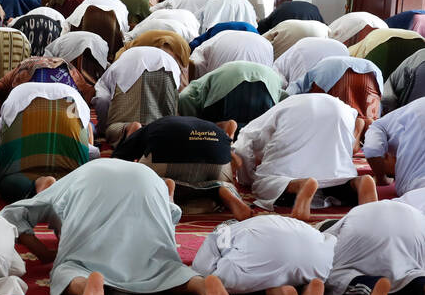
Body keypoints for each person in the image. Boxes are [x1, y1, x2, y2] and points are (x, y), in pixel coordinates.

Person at [0, 159, 237, 295]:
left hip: (95, 205)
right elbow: (172, 215)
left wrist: (44, 253)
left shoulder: (57, 189)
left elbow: (11, 214)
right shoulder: (119, 169)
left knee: (67, 270)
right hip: (148, 183)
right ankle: (203, 287)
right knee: (166, 267)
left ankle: (88, 286)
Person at [231, 92, 374, 221]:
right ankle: (358, 182)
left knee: (264, 184)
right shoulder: (303, 102)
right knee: (336, 177)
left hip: (295, 156)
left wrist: (247, 179)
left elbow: (244, 140)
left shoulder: (279, 108)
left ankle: (301, 184)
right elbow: (349, 145)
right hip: (341, 111)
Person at [191, 215, 333, 295]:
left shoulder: (222, 230)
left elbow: (202, 267)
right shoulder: (269, 220)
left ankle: (277, 291)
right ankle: (291, 290)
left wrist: (206, 276)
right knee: (284, 273)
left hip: (258, 255)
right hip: (318, 258)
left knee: (210, 279)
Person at [112, 116, 251, 220]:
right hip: (218, 155)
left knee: (142, 179)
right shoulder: (208, 125)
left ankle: (164, 186)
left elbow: (118, 164)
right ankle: (221, 190)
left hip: (168, 156)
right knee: (225, 183)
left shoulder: (150, 128)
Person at [0, 79, 93, 202]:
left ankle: (38, 184)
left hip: (23, 116)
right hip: (70, 109)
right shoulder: (72, 90)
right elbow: (92, 153)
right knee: (80, 177)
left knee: (7, 183)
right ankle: (63, 187)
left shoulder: (17, 93)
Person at [323, 200, 425, 295]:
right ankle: (421, 285)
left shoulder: (331, 230)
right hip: (415, 226)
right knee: (411, 272)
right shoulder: (407, 206)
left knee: (330, 274)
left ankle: (371, 286)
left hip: (363, 233)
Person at [94, 45, 182, 144]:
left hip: (132, 66)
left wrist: (102, 131)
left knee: (112, 130)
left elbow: (102, 100)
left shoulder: (113, 69)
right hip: (169, 66)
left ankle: (129, 128)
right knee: (164, 123)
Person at [363, 96, 425, 194]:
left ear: (386, 155)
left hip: (415, 188)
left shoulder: (379, 126)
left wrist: (381, 178)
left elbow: (372, 149)